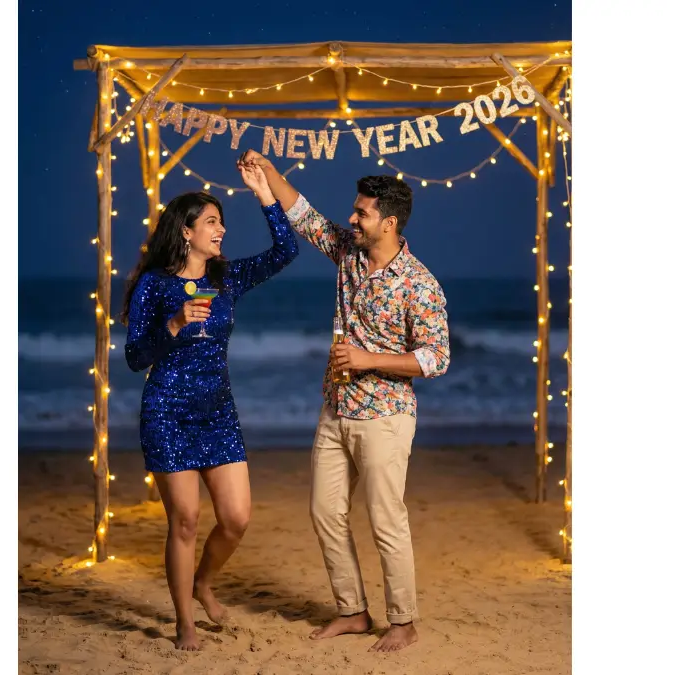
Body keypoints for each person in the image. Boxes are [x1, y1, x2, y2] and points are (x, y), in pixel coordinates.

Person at [237, 149, 450, 653]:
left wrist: (367, 358)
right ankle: (352, 611)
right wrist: (268, 173)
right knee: (324, 510)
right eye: (354, 210)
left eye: (362, 213)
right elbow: (305, 216)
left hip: (385, 416)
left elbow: (436, 357)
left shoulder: (420, 285)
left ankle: (403, 621)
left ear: (389, 222)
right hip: (335, 409)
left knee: (385, 518)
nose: (352, 218)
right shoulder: (348, 253)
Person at [120, 163, 298, 650]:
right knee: (185, 520)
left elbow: (287, 250)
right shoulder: (155, 286)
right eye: (212, 223)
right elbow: (136, 358)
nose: (222, 230)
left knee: (237, 518)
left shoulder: (226, 277)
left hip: (218, 412)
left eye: (222, 222)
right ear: (187, 231)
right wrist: (173, 324)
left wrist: (264, 193)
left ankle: (202, 583)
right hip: (167, 413)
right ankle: (185, 621)